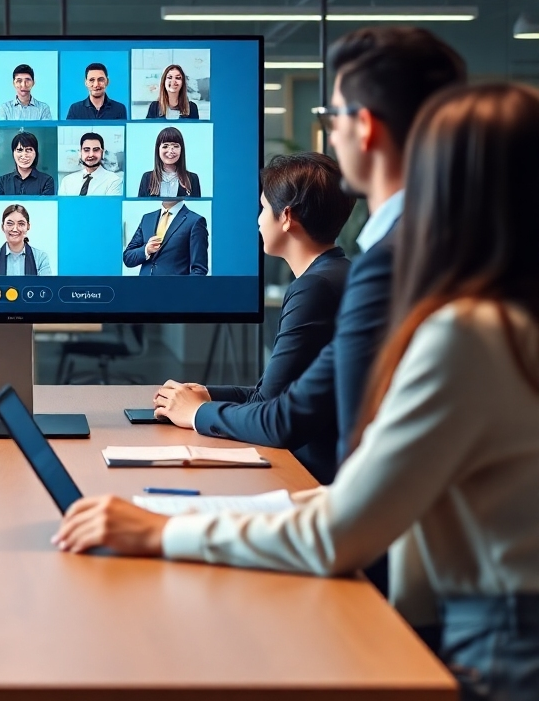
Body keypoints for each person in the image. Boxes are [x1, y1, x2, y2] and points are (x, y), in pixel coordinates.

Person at [56, 82, 539, 701]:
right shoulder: (506, 321)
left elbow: (340, 530)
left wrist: (160, 531)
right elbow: (361, 497)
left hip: (499, 652)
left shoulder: (467, 334)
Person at [150, 27, 466, 489]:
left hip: (335, 499)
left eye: (332, 115)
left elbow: (287, 418)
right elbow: (291, 395)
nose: (331, 132)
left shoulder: (371, 269)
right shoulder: (409, 252)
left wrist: (200, 414)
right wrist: (205, 398)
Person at [196, 154, 354, 480]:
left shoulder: (315, 288)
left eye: (264, 208)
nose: (257, 220)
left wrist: (197, 412)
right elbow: (276, 393)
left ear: (286, 216)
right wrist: (206, 394)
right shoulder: (339, 274)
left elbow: (270, 409)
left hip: (311, 478)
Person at [123, 199, 208, 276]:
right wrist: (146, 250)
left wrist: (184, 291)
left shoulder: (195, 221)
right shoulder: (147, 218)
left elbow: (199, 270)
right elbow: (128, 258)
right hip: (144, 289)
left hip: (174, 291)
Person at [0, 204, 52, 276]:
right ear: (2, 227)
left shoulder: (41, 258)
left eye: (21, 224)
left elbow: (46, 286)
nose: (15, 229)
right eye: (10, 223)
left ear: (28, 227)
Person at [137, 126, 201, 198]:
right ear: (158, 150)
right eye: (165, 146)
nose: (170, 151)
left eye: (175, 146)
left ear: (181, 150)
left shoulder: (192, 178)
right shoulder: (147, 177)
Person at [58, 132, 123, 196]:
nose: (91, 154)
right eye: (86, 150)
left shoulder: (113, 180)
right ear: (80, 152)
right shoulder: (67, 181)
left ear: (102, 153)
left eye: (96, 150)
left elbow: (111, 206)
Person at [0, 131, 55, 195]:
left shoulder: (47, 181)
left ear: (36, 154)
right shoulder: (2, 182)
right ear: (13, 153)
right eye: (19, 150)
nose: (24, 155)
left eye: (29, 150)